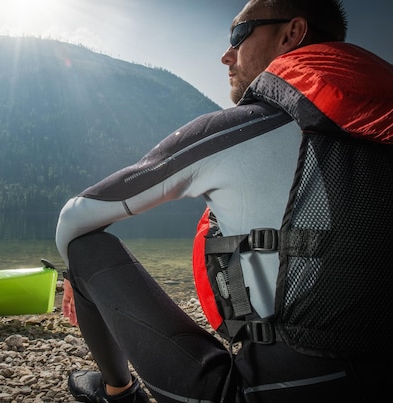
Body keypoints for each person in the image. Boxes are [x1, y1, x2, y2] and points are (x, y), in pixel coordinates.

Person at [55, 0, 393, 402]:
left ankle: (119, 392)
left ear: (292, 33)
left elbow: (75, 216)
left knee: (86, 246)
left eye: (238, 35)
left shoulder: (244, 129)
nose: (226, 54)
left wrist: (77, 275)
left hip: (271, 391)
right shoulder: (379, 134)